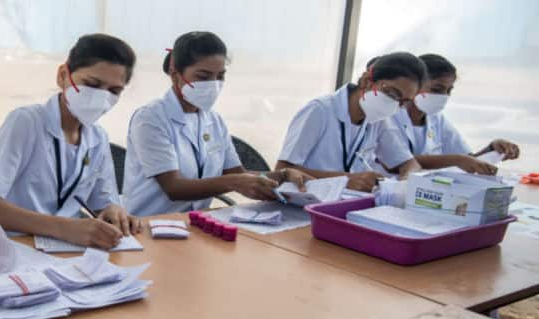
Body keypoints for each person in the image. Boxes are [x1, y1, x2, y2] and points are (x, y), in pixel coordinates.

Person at [0, 34, 140, 250]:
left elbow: (103, 202)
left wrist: (113, 212)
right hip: (17, 245)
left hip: (67, 249)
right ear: (63, 75)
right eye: (92, 84)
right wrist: (65, 228)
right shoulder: (26, 122)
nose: (101, 97)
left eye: (114, 91)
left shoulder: (97, 137)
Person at [123, 31, 310, 217]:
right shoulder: (150, 118)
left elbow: (240, 174)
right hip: (148, 225)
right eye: (203, 76)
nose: (213, 84)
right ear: (175, 74)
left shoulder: (214, 121)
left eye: (220, 76)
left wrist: (282, 176)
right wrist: (234, 182)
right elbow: (174, 188)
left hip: (195, 223)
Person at [275, 52, 428, 191]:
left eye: (405, 101)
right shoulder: (319, 111)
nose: (396, 105)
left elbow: (410, 164)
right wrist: (346, 180)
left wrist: (404, 183)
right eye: (393, 93)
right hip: (303, 205)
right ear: (367, 81)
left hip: (343, 204)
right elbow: (281, 170)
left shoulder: (378, 120)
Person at [378, 53, 520, 175]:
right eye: (437, 89)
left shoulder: (436, 119)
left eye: (449, 90)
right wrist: (457, 160)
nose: (444, 96)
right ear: (415, 85)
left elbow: (468, 159)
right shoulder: (389, 116)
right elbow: (398, 161)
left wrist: (493, 149)